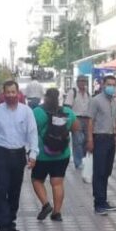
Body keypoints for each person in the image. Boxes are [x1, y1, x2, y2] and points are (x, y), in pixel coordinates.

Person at [0, 81, 38, 231]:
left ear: (18, 93)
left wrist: (33, 154)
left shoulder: (26, 112)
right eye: (8, 92)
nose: (11, 95)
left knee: (14, 190)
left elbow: (32, 133)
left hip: (18, 154)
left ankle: (10, 220)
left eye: (14, 92)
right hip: (1, 154)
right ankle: (1, 226)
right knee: (1, 189)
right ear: (3, 93)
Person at [32, 88, 77, 222]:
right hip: (62, 154)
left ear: (45, 97)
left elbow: (30, 131)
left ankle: (46, 204)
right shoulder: (68, 112)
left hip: (42, 155)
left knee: (37, 180)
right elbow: (76, 128)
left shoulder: (37, 112)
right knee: (57, 183)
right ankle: (57, 213)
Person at [86, 75, 116, 215]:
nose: (111, 87)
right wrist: (90, 140)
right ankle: (98, 203)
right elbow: (90, 121)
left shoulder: (114, 101)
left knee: (107, 171)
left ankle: (104, 200)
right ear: (102, 84)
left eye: (114, 85)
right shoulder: (96, 101)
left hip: (110, 139)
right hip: (99, 138)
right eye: (109, 84)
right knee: (99, 171)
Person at [64, 75, 92, 171]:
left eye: (84, 81)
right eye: (81, 81)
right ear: (77, 82)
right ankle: (78, 162)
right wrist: (71, 120)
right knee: (78, 141)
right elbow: (67, 107)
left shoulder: (88, 93)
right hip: (76, 118)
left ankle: (84, 160)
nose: (83, 83)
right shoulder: (73, 92)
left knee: (85, 141)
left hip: (87, 119)